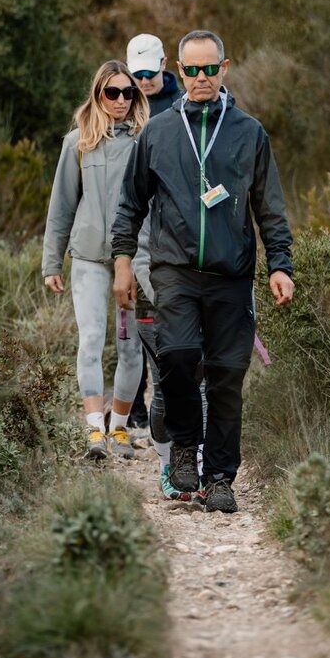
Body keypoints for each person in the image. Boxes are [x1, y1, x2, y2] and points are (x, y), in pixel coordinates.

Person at [111, 30, 294, 512]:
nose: (200, 78)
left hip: (231, 275)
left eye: (210, 69)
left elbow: (269, 208)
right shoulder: (158, 132)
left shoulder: (249, 132)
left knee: (227, 376)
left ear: (224, 69)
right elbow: (130, 205)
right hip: (173, 271)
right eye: (191, 70)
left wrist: (281, 265)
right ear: (180, 68)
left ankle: (219, 478)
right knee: (177, 356)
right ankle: (184, 451)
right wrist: (123, 263)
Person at [42, 61, 150, 461]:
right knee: (89, 342)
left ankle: (119, 429)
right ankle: (93, 432)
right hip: (87, 257)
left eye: (128, 93)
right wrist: (51, 262)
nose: (121, 100)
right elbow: (62, 204)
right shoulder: (77, 143)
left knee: (129, 347)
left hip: (132, 261)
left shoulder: (145, 141)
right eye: (113, 92)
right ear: (98, 94)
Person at [125, 34, 181, 436]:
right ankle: (138, 405)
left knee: (166, 318)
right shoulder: (124, 103)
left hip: (173, 225)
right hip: (137, 221)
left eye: (150, 72)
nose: (144, 81)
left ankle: (165, 405)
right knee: (139, 317)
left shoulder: (181, 105)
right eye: (137, 74)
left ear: (164, 64)